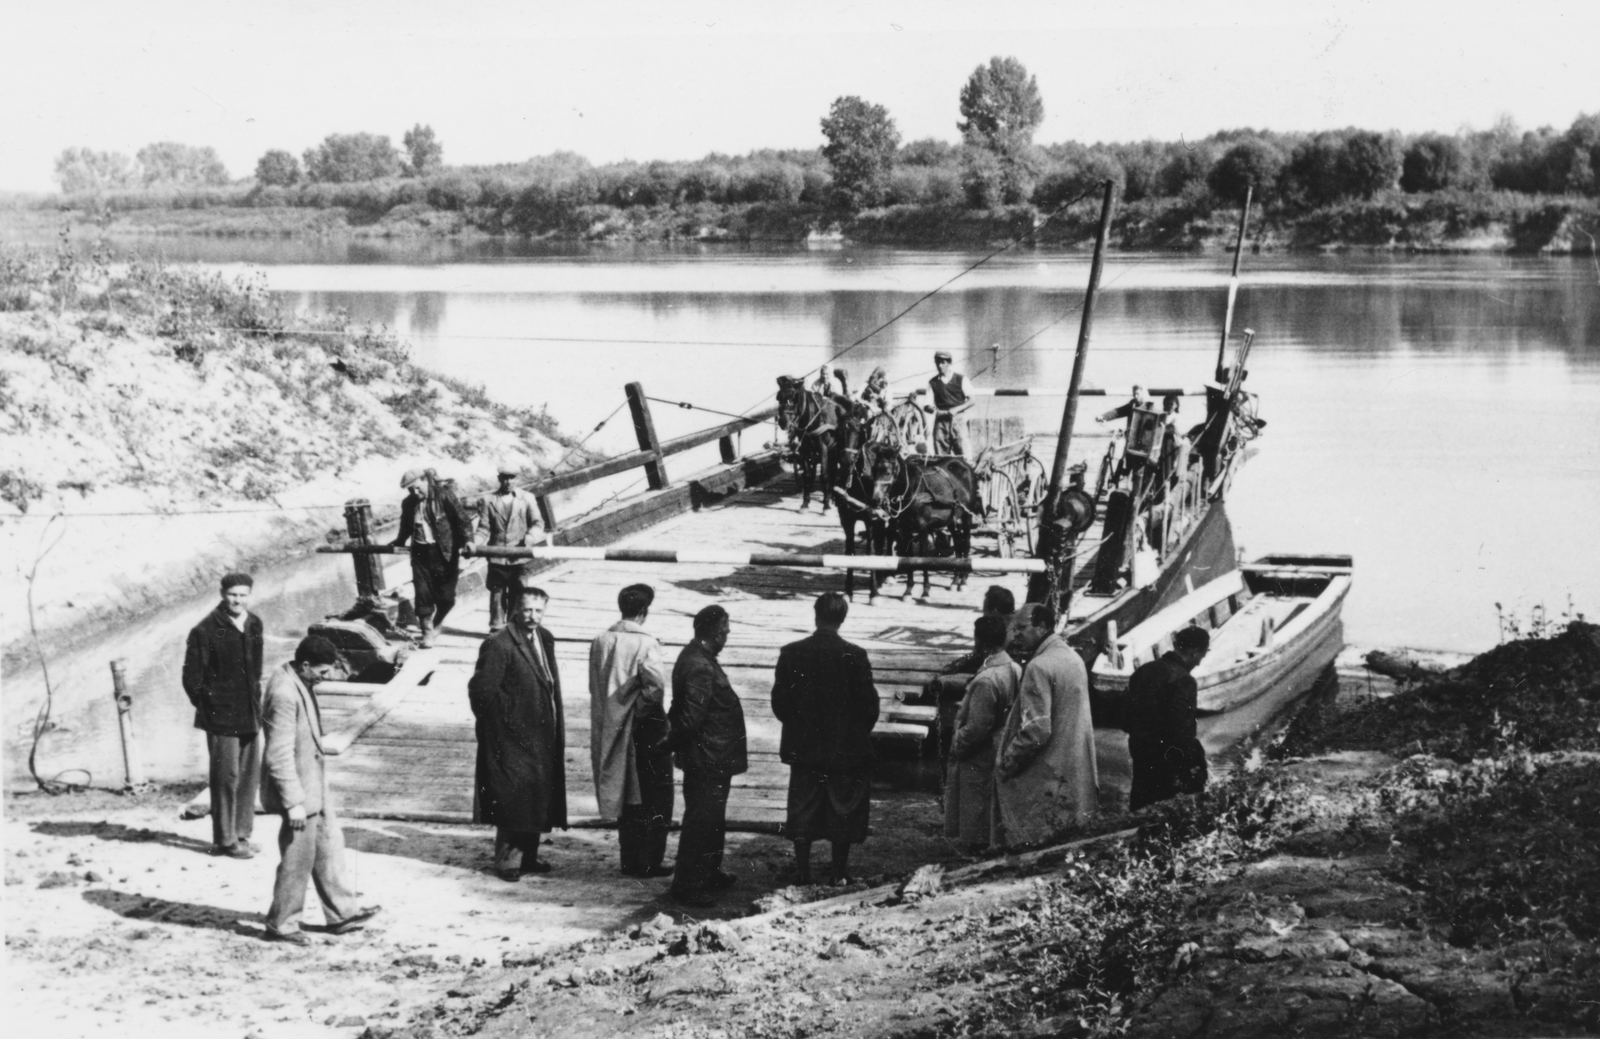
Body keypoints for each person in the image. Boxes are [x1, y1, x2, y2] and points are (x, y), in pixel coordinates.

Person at [260, 635, 381, 944]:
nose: (326, 679)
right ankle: (281, 924)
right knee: (296, 859)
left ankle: (342, 913)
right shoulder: (284, 693)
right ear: (305, 665)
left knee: (329, 844)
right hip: (298, 792)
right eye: (323, 672)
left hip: (313, 782)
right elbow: (278, 754)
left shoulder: (300, 681)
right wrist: (293, 803)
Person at [771, 592, 880, 886]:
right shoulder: (855, 655)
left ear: (815, 614)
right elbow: (869, 706)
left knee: (803, 807)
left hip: (804, 747)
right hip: (844, 749)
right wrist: (852, 734)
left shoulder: (791, 652)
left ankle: (803, 870)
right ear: (842, 618)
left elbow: (780, 703)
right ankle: (838, 871)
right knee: (843, 807)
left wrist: (799, 728)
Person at [467, 580, 567, 880]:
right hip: (511, 736)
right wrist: (498, 727)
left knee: (537, 796)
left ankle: (529, 858)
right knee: (513, 799)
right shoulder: (499, 643)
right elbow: (480, 692)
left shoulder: (544, 637)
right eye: (526, 610)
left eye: (538, 610)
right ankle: (508, 862)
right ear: (515, 610)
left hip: (541, 735)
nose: (532, 616)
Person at [994, 603, 1099, 849]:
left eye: (1021, 628)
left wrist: (1007, 763)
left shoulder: (1038, 666)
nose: (1015, 635)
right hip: (1074, 765)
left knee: (1032, 839)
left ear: (1041, 627)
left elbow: (1036, 730)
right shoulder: (1072, 658)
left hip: (1049, 770)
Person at [588, 583, 673, 878]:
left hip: (609, 724)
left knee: (626, 795)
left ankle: (629, 859)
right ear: (644, 612)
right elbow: (655, 687)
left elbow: (594, 684)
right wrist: (640, 715)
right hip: (641, 729)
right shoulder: (645, 643)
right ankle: (650, 860)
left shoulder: (600, 639)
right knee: (654, 796)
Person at [667, 605, 746, 907]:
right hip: (707, 758)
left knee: (712, 820)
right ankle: (688, 884)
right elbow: (689, 719)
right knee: (701, 822)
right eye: (725, 630)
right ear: (715, 632)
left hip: (713, 757)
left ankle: (709, 873)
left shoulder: (699, 658)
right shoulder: (700, 665)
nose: (727, 635)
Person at [182, 572, 265, 859]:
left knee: (248, 776)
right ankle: (225, 840)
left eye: (243, 594)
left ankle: (242, 833)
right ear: (222, 594)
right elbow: (192, 679)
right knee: (225, 777)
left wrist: (256, 703)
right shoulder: (204, 630)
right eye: (233, 594)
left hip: (250, 714)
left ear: (249, 596)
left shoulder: (254, 624)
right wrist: (211, 710)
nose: (238, 600)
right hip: (221, 719)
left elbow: (256, 672)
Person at [943, 614, 1020, 852]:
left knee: (975, 805)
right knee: (992, 801)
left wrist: (957, 743)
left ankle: (977, 850)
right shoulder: (1014, 668)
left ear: (981, 643)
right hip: (1002, 742)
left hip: (981, 752)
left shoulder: (986, 680)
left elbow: (977, 728)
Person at [1125, 626, 1211, 811]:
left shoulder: (1144, 671)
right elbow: (1183, 732)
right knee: (1165, 810)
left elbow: (1124, 715)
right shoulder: (1184, 680)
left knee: (1140, 804)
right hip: (1166, 757)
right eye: (1201, 656)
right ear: (1195, 652)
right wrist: (1194, 763)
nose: (1199, 663)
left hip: (1139, 751)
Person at [389, 469, 472, 648]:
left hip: (445, 552)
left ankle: (437, 623)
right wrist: (399, 541)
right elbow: (405, 526)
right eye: (411, 490)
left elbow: (462, 521)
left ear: (425, 480)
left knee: (447, 598)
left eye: (417, 488)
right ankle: (427, 633)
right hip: (420, 554)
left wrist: (469, 541)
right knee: (423, 595)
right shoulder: (409, 503)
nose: (415, 493)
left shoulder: (444, 496)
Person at [477, 463, 541, 632]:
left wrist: (531, 536)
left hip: (519, 557)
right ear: (499, 479)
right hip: (497, 556)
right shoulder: (487, 500)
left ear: (517, 479)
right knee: (496, 593)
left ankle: (514, 627)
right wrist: (474, 544)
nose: (509, 482)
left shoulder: (527, 498)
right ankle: (496, 628)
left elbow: (537, 523)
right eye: (505, 478)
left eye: (512, 478)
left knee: (518, 593)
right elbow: (483, 529)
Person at [928, 351, 971, 457]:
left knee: (963, 453)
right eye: (937, 362)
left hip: (958, 419)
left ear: (949, 363)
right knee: (940, 456)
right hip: (941, 421)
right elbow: (927, 405)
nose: (939, 366)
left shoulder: (961, 379)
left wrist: (956, 409)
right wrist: (932, 409)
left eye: (943, 362)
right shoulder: (932, 382)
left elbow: (972, 400)